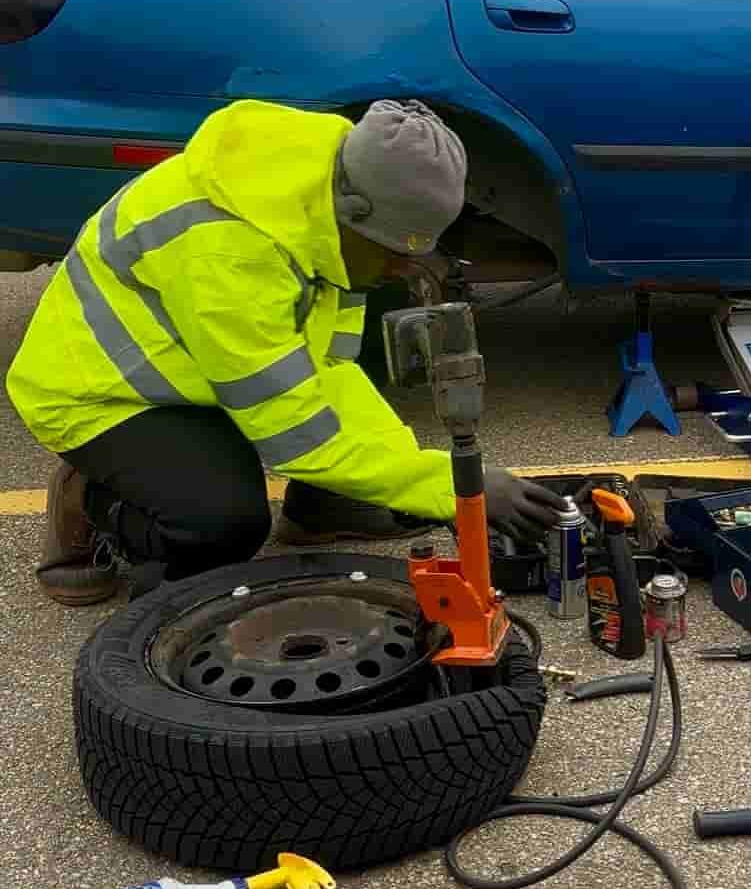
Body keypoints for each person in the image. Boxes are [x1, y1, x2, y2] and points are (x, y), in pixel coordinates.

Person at [6, 97, 564, 604]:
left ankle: (322, 507)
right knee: (221, 522)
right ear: (355, 213)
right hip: (104, 394)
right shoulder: (230, 254)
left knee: (371, 343)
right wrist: (450, 485)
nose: (402, 267)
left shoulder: (330, 202)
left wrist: (418, 475)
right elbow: (293, 433)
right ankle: (99, 505)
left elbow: (331, 370)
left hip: (195, 370)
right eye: (393, 252)